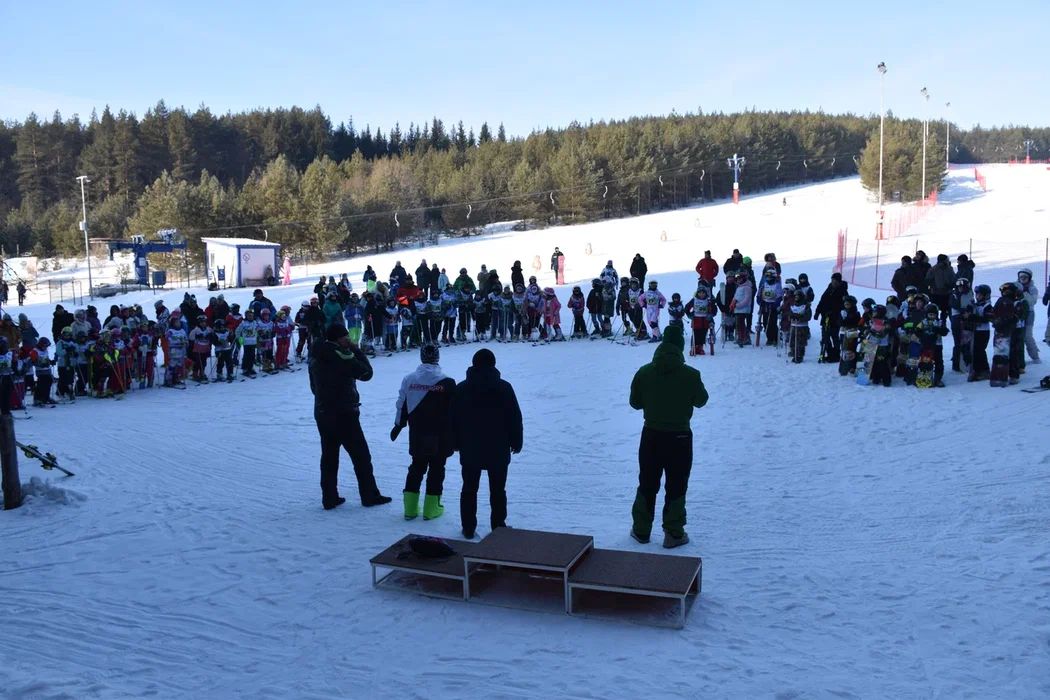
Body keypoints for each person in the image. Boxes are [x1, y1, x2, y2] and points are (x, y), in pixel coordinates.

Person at [628, 324, 708, 548]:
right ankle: (673, 533)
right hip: (680, 438)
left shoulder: (644, 372)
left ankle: (641, 530)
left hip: (651, 436)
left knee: (647, 482)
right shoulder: (691, 375)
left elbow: (635, 403)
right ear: (681, 346)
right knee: (677, 484)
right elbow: (702, 400)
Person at [308, 324, 392, 510]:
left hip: (323, 411)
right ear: (337, 339)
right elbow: (366, 373)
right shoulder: (341, 355)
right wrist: (356, 349)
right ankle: (369, 495)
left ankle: (329, 497)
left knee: (329, 457)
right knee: (361, 456)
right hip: (344, 413)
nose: (348, 339)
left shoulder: (316, 353)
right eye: (345, 337)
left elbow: (313, 386)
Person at [450, 348, 523, 539]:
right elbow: (514, 417)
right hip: (498, 448)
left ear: (473, 364)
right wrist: (517, 440)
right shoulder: (504, 387)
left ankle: (468, 527)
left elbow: (453, 419)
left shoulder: (462, 388)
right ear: (494, 364)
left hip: (470, 447)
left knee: (469, 488)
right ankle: (498, 525)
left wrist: (455, 442)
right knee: (498, 490)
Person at [391, 343, 456, 521]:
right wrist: (456, 436)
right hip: (440, 434)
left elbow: (401, 404)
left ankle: (410, 509)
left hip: (418, 433)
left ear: (421, 357)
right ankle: (431, 508)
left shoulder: (409, 379)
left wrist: (398, 424)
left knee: (416, 467)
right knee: (437, 469)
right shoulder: (448, 382)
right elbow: (454, 412)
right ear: (437, 357)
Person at [814, 272, 849, 362]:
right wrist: (817, 312)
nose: (833, 282)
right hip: (826, 317)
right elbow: (822, 301)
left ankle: (836, 355)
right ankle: (829, 353)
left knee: (834, 336)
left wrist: (835, 313)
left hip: (835, 318)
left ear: (839, 281)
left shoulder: (843, 291)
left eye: (835, 280)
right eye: (832, 280)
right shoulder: (829, 288)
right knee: (825, 336)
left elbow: (844, 306)